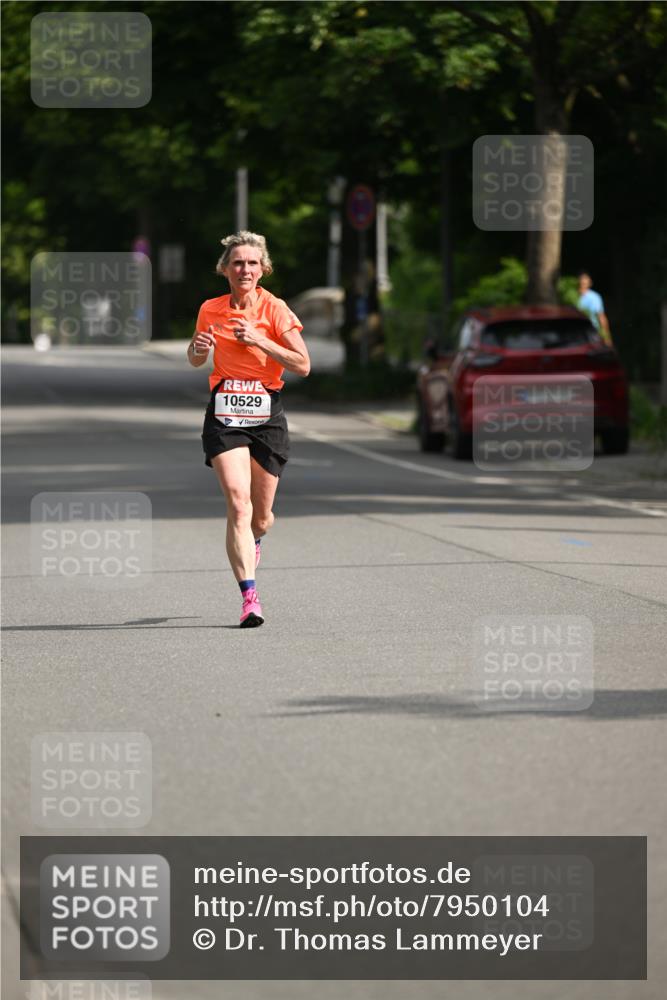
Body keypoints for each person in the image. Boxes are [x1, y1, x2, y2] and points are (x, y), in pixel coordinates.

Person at [188, 232, 310, 627]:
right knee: (238, 504)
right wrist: (199, 349)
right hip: (225, 412)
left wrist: (260, 339)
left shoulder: (275, 309)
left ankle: (254, 540)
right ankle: (249, 597)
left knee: (260, 517)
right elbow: (194, 358)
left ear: (264, 269)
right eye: (238, 262)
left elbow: (302, 364)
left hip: (266, 413)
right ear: (225, 269)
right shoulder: (210, 309)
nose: (245, 269)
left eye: (252, 263)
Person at [577, 271, 613, 346]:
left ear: (590, 283)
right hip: (576, 333)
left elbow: (601, 316)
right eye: (581, 281)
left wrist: (607, 337)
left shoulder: (594, 297)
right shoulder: (571, 296)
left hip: (592, 332)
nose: (582, 283)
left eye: (585, 281)